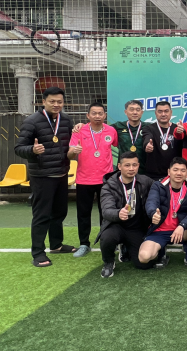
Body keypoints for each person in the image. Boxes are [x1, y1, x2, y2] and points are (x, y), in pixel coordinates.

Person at [15, 86, 76, 267]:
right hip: (42, 176)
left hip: (62, 173)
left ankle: (56, 245)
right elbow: (19, 148)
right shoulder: (31, 121)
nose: (56, 104)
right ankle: (38, 253)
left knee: (59, 212)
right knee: (42, 215)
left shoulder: (66, 120)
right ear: (43, 102)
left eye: (60, 102)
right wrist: (32, 150)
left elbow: (71, 141)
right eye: (52, 101)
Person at [67, 102, 118, 258]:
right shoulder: (79, 130)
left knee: (106, 213)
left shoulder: (111, 131)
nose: (97, 116)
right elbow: (69, 154)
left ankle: (106, 241)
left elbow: (119, 145)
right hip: (84, 180)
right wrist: (73, 152)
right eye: (94, 113)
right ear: (88, 115)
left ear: (105, 115)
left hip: (106, 180)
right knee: (83, 213)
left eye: (100, 113)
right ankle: (84, 244)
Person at [95, 152, 155, 278]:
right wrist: (118, 213)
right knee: (107, 237)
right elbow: (106, 210)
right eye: (127, 165)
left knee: (144, 264)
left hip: (136, 228)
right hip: (116, 225)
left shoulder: (145, 181)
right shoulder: (109, 185)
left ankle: (126, 247)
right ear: (119, 166)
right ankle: (109, 262)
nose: (131, 168)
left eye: (134, 165)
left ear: (138, 165)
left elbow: (160, 190)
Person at [138, 157, 187, 270]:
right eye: (175, 170)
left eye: (183, 170)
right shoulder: (158, 185)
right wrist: (153, 214)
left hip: (181, 230)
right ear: (169, 172)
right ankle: (161, 253)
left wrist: (182, 226)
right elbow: (151, 202)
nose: (179, 173)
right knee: (144, 257)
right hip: (160, 231)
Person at [74, 99, 147, 173]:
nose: (135, 112)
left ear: (142, 112)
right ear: (125, 112)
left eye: (138, 110)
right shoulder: (118, 126)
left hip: (144, 170)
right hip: (123, 170)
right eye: (131, 109)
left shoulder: (149, 127)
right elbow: (99, 127)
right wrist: (83, 125)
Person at [143, 101, 182, 180]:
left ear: (171, 112)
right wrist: (147, 145)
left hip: (174, 175)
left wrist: (181, 133)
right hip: (153, 176)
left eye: (166, 111)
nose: (163, 114)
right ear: (155, 113)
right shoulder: (149, 128)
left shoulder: (177, 129)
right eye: (160, 111)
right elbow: (147, 137)